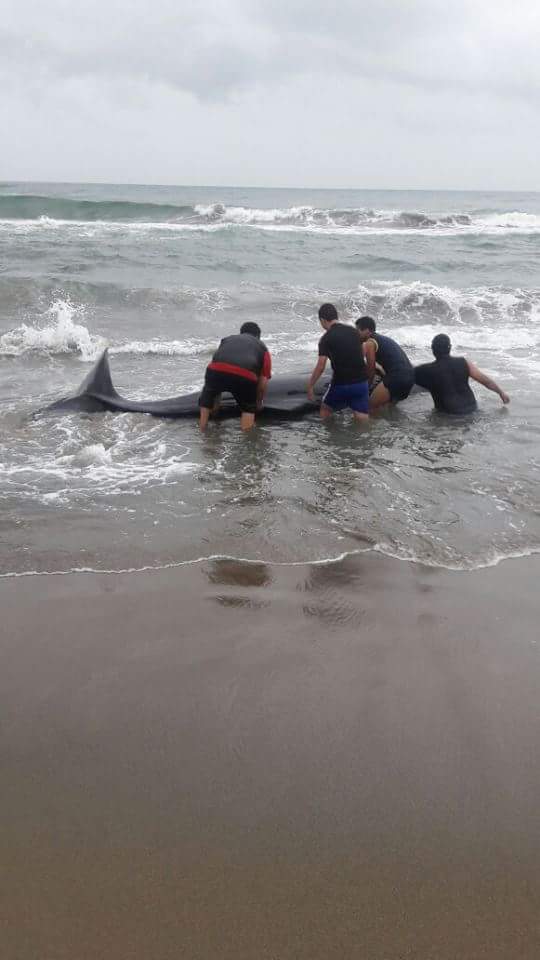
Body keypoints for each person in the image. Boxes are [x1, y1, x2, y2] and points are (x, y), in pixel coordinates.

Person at [199, 321, 272, 431]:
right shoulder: (262, 348)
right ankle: (246, 434)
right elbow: (263, 382)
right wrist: (258, 403)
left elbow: (218, 360)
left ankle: (203, 429)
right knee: (248, 409)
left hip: (215, 370)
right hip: (245, 375)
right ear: (258, 336)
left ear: (241, 332)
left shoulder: (227, 339)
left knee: (208, 396)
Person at [414, 333, 510, 414]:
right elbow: (485, 381)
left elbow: (405, 378)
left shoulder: (424, 370)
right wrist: (501, 393)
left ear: (433, 349)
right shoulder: (463, 362)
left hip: (448, 414)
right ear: (450, 347)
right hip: (472, 409)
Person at [307, 303, 369, 422]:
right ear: (336, 316)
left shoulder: (325, 339)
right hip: (361, 382)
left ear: (323, 320)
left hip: (341, 384)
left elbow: (321, 366)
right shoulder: (353, 331)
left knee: (325, 409)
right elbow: (363, 351)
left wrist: (310, 386)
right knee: (362, 416)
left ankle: (332, 438)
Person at [355, 316, 415, 411]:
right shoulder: (383, 340)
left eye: (357, 330)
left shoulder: (370, 342)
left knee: (369, 407)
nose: (356, 334)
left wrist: (365, 389)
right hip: (410, 378)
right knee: (386, 409)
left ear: (367, 331)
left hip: (397, 377)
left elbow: (371, 370)